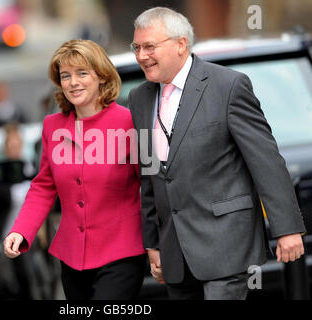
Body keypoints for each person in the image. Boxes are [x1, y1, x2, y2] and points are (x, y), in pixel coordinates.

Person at [128, 7, 306, 300]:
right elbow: (150, 175)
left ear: (180, 43)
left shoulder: (228, 86)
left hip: (227, 244)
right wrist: (153, 243)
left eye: (149, 46)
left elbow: (265, 162)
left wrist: (287, 229)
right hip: (175, 252)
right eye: (137, 47)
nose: (141, 56)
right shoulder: (139, 97)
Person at [4, 39, 146, 300]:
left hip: (121, 253)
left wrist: (159, 244)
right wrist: (20, 230)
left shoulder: (128, 121)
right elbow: (44, 186)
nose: (73, 82)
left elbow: (151, 185)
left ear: (101, 77)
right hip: (72, 258)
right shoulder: (52, 126)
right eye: (66, 76)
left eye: (82, 73)